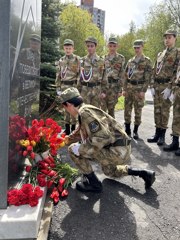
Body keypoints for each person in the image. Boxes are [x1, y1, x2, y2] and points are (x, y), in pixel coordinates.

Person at [59, 87, 155, 193]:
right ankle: (144, 173)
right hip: (121, 149)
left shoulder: (84, 113)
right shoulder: (85, 109)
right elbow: (79, 132)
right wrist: (64, 141)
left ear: (68, 104)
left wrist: (81, 149)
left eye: (65, 107)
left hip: (116, 151)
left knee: (73, 150)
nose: (66, 110)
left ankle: (94, 184)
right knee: (109, 171)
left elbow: (102, 137)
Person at [147, 30, 180, 146]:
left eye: (170, 37)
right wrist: (151, 85)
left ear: (175, 39)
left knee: (165, 111)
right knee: (157, 110)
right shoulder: (160, 54)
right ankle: (157, 133)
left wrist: (170, 87)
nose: (167, 40)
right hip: (157, 85)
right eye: (165, 38)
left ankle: (162, 136)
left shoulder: (177, 53)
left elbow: (176, 72)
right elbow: (154, 70)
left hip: (167, 86)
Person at [123, 40, 152, 139]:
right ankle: (127, 129)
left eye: (138, 47)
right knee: (127, 110)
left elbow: (148, 77)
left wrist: (143, 91)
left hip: (139, 89)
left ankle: (135, 130)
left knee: (138, 110)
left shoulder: (146, 61)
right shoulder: (130, 61)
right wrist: (124, 89)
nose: (136, 49)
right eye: (135, 47)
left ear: (142, 47)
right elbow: (125, 76)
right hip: (130, 88)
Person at [56, 39, 81, 135]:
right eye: (66, 48)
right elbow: (58, 74)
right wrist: (58, 87)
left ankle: (74, 128)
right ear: (64, 49)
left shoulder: (77, 59)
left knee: (73, 108)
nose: (68, 50)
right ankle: (67, 129)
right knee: (66, 108)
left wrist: (77, 87)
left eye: (69, 48)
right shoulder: (61, 60)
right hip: (64, 87)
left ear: (73, 49)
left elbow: (79, 74)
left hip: (73, 86)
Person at [78, 36, 107, 108]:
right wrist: (78, 91)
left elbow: (104, 77)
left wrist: (104, 91)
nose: (89, 48)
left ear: (95, 46)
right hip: (85, 90)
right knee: (84, 112)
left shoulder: (101, 61)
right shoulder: (82, 60)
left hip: (97, 90)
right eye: (88, 46)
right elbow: (79, 78)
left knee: (95, 113)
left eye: (92, 46)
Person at [101, 37, 125, 118]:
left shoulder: (120, 58)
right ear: (108, 46)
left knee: (111, 110)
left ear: (117, 46)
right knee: (102, 109)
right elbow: (101, 73)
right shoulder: (103, 58)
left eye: (114, 46)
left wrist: (120, 90)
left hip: (114, 87)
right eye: (110, 46)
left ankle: (112, 129)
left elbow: (122, 74)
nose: (112, 48)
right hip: (104, 86)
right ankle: (104, 129)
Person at [163, 60, 180, 155]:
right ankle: (175, 142)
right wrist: (171, 88)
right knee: (176, 118)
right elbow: (176, 75)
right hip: (178, 91)